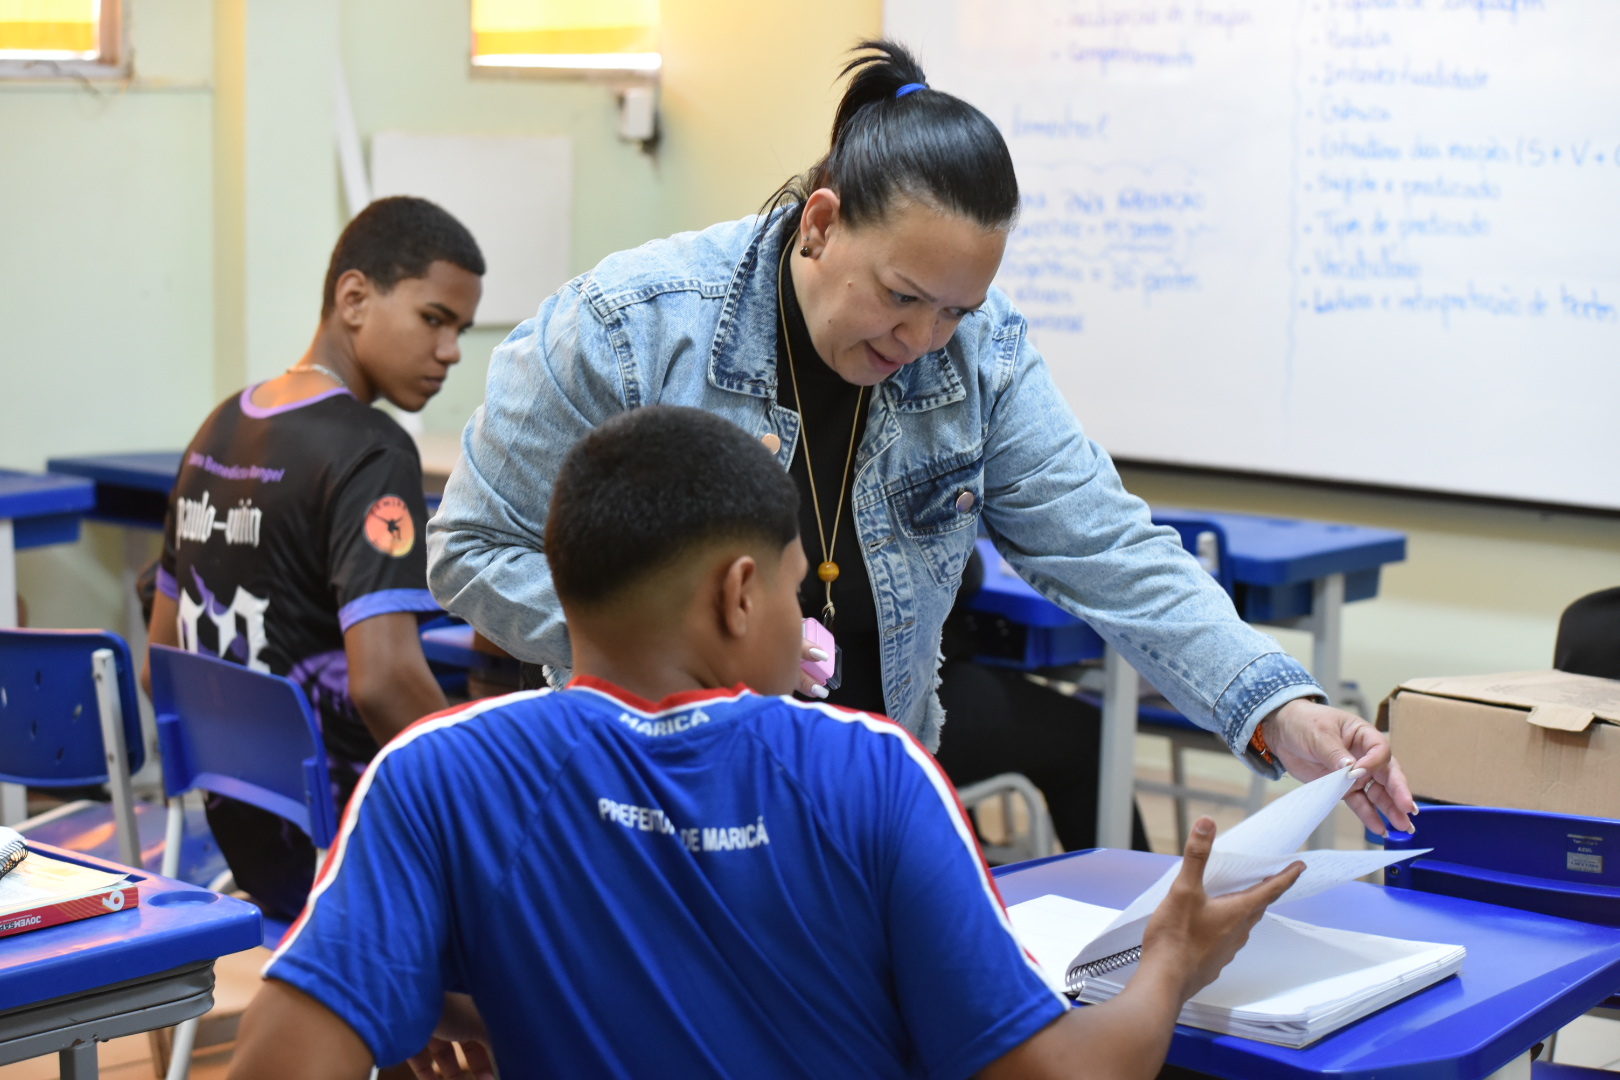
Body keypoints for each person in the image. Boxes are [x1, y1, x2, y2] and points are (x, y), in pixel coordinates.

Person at [426, 40, 1416, 838]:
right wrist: (685, 655)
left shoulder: (976, 354)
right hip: (653, 796)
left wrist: (1278, 709)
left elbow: (1109, 547)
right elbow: (468, 551)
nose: (922, 340)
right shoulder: (623, 328)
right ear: (821, 224)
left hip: (870, 795)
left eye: (955, 309)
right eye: (902, 297)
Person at [226, 405, 1304, 1080]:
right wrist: (1169, 960)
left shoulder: (436, 775)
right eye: (800, 589)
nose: (807, 621)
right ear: (741, 596)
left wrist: (413, 998)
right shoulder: (874, 774)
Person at [142, 195, 485, 919]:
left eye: (460, 328)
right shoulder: (372, 449)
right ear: (354, 297)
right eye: (434, 319)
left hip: (247, 842)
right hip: (353, 851)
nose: (452, 350)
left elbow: (157, 663)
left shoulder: (219, 424)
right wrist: (482, 794)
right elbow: (386, 682)